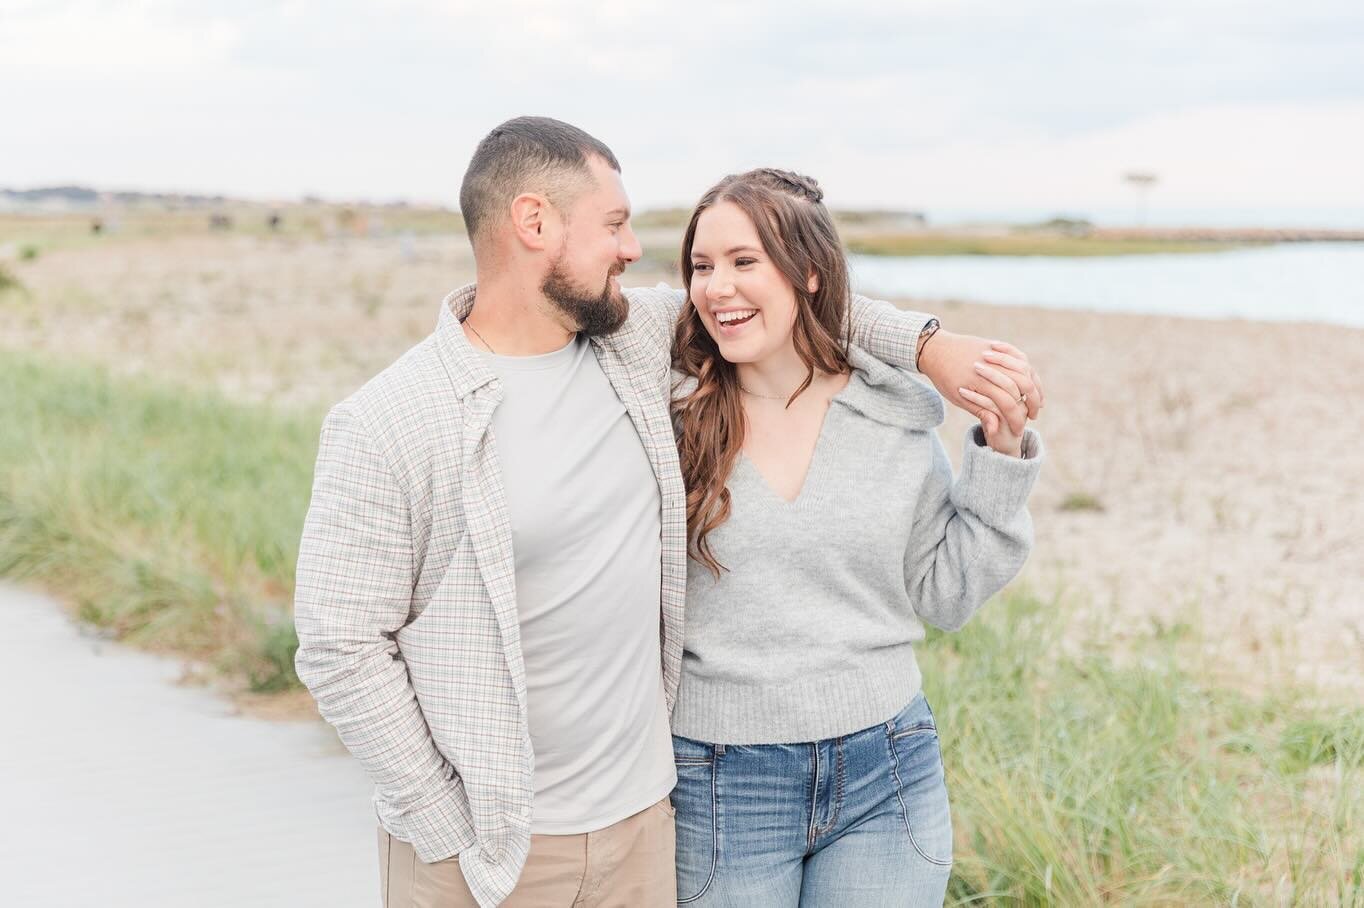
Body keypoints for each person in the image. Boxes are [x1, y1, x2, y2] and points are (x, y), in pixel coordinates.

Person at [292, 117, 1045, 908]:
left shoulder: (629, 339)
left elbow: (800, 300)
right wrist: (439, 819)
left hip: (651, 823)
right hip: (510, 840)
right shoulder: (399, 417)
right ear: (533, 222)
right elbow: (339, 644)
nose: (632, 250)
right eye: (616, 225)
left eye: (634, 232)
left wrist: (932, 346)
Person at [667, 168, 1043, 907]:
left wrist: (998, 459)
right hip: (721, 783)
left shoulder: (892, 416)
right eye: (702, 267)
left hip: (888, 771)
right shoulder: (669, 414)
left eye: (746, 262)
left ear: (809, 272)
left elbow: (946, 595)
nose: (717, 288)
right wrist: (929, 339)